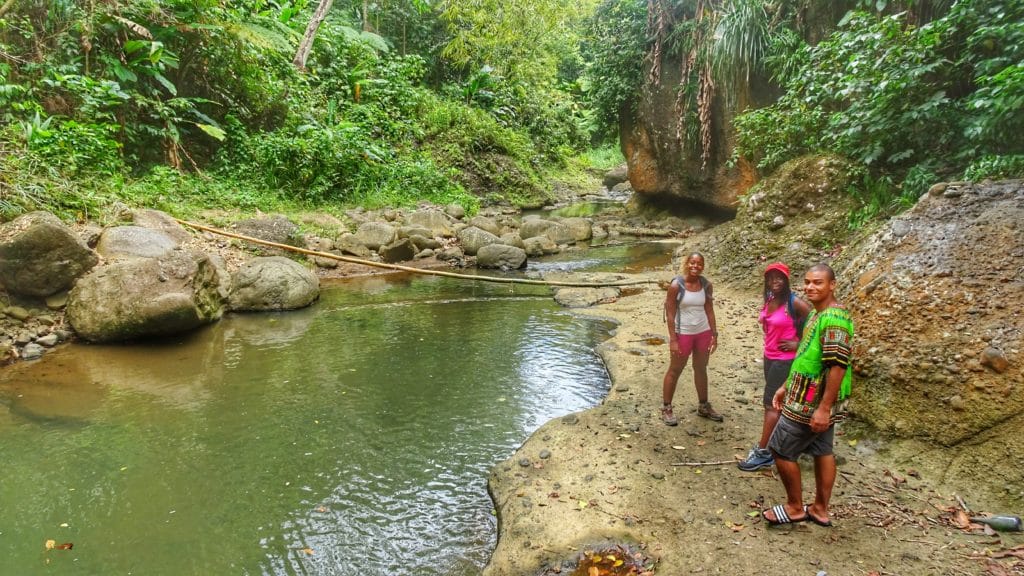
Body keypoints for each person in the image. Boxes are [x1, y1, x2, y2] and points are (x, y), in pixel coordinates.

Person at [762, 263, 854, 527]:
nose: (811, 287)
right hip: (805, 391)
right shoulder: (818, 313)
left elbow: (837, 365)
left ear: (832, 285)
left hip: (811, 399)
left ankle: (794, 507)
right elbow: (806, 355)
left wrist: (823, 408)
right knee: (822, 449)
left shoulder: (834, 319)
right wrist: (785, 385)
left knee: (780, 449)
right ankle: (820, 509)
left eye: (818, 283)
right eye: (808, 282)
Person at [738, 262, 810, 472]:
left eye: (779, 278)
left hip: (785, 360)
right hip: (770, 356)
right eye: (770, 278)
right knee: (782, 403)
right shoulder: (770, 298)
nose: (774, 281)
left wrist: (799, 344)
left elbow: (816, 324)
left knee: (771, 405)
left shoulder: (794, 302)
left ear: (786, 280)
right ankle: (784, 445)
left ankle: (764, 454)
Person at [661, 252, 721, 426]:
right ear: (687, 264)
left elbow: (709, 309)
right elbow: (670, 313)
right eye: (692, 262)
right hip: (683, 333)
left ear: (703, 266)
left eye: (699, 263)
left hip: (703, 332)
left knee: (701, 368)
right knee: (675, 369)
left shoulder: (706, 285)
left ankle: (703, 406)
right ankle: (666, 408)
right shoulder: (676, 286)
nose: (695, 266)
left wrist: (714, 335)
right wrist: (673, 339)